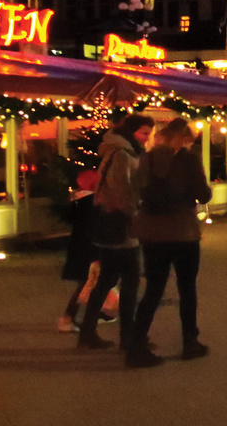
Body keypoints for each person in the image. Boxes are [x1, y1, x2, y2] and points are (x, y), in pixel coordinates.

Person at [130, 117, 214, 363]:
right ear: (183, 138)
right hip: (182, 231)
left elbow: (135, 188)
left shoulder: (147, 158)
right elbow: (203, 194)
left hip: (152, 232)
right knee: (187, 288)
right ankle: (190, 341)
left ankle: (137, 344)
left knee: (153, 289)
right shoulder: (188, 160)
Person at [79, 113, 154, 365]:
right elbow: (123, 191)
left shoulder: (122, 151)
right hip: (121, 224)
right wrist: (136, 216)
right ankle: (127, 337)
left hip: (111, 221)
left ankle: (88, 332)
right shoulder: (122, 154)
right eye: (143, 132)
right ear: (131, 132)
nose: (146, 137)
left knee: (108, 278)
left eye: (149, 133)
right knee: (131, 280)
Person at [56, 170, 117, 333]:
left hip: (79, 248)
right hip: (89, 249)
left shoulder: (78, 202)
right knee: (86, 283)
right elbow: (95, 228)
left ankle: (95, 312)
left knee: (90, 283)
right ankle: (68, 318)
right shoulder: (93, 203)